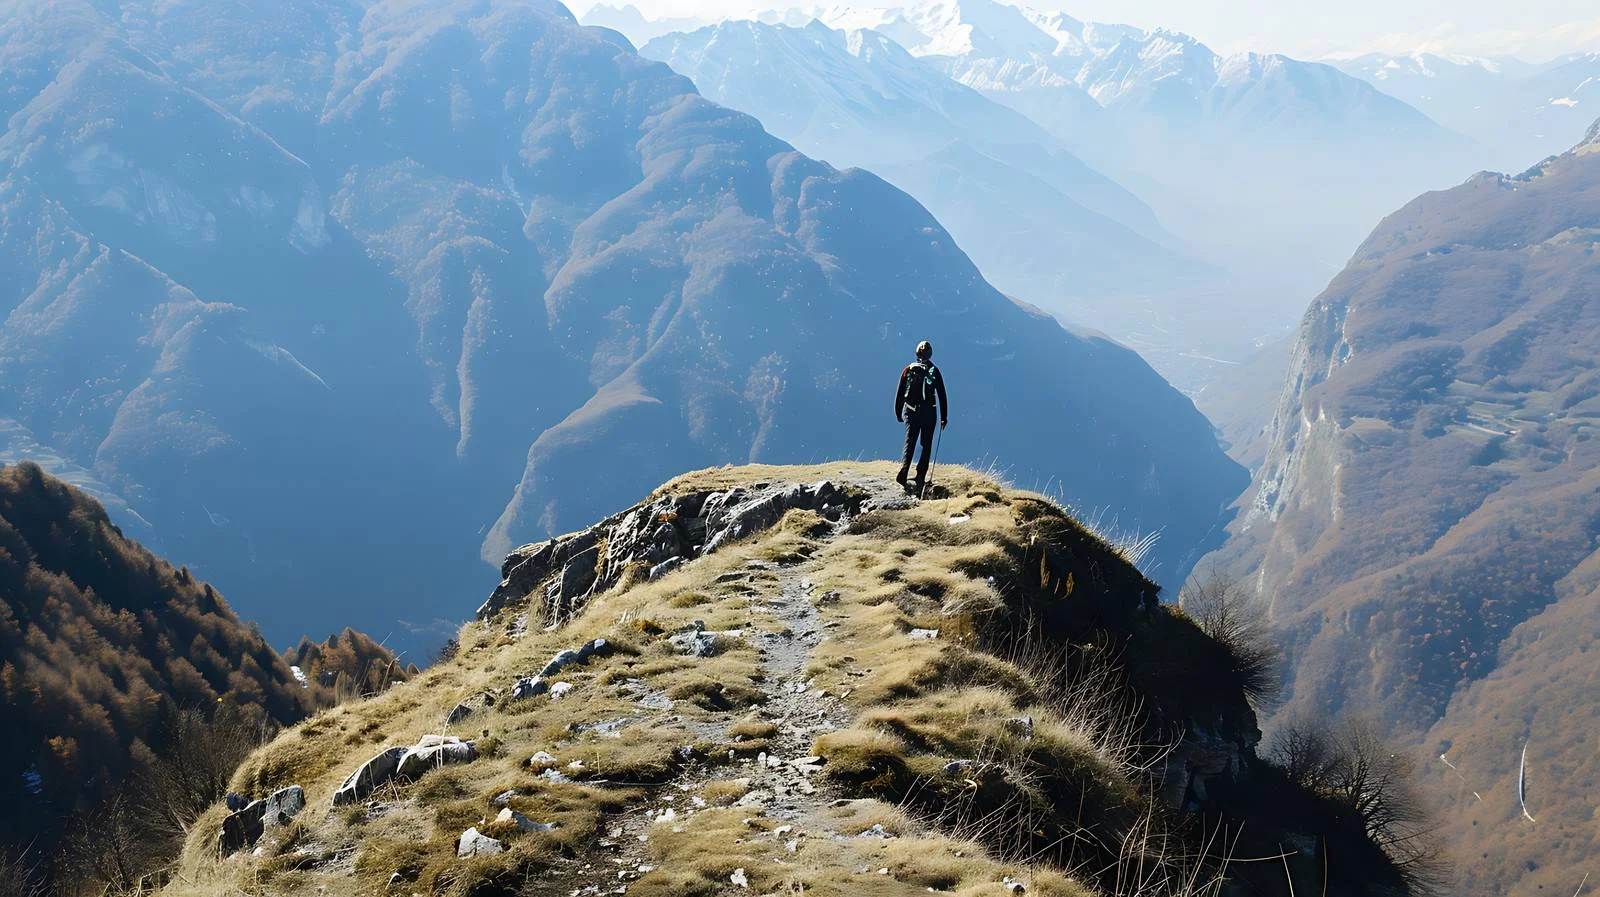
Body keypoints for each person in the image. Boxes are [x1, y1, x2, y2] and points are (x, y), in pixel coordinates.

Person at [894, 340, 948, 494]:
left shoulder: (908, 369)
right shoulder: (934, 371)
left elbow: (900, 393)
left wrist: (898, 412)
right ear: (930, 354)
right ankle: (920, 476)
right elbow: (942, 395)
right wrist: (944, 417)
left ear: (916, 353)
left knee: (910, 442)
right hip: (929, 413)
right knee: (926, 444)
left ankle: (903, 472)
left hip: (911, 411)